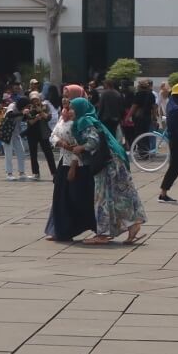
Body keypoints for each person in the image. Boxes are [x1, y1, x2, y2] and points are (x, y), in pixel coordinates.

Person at [66, 97, 147, 245]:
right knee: (119, 195)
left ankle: (103, 234)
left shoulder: (84, 121)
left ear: (79, 109)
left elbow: (94, 141)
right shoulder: (89, 119)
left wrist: (80, 148)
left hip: (107, 164)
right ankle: (132, 225)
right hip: (113, 161)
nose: (69, 111)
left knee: (102, 197)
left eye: (72, 108)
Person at [44, 96, 97, 242]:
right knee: (61, 198)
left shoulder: (80, 122)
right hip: (63, 162)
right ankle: (62, 231)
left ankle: (94, 228)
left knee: (78, 199)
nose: (66, 104)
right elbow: (53, 135)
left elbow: (80, 145)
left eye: (68, 98)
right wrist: (60, 143)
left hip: (78, 165)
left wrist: (73, 167)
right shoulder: (63, 118)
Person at [23, 91, 57, 181]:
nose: (35, 101)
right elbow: (30, 122)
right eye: (33, 100)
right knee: (33, 153)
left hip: (43, 133)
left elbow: (48, 117)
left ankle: (54, 173)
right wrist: (37, 118)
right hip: (32, 133)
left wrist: (40, 111)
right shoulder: (28, 108)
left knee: (48, 153)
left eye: (36, 99)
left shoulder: (45, 106)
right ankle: (36, 173)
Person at [2, 97, 28, 180]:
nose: (26, 107)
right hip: (7, 133)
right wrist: (21, 113)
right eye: (26, 106)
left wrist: (26, 115)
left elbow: (24, 119)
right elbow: (9, 115)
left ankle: (21, 172)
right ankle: (9, 173)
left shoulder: (22, 110)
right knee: (8, 153)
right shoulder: (12, 106)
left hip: (16, 133)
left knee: (21, 152)